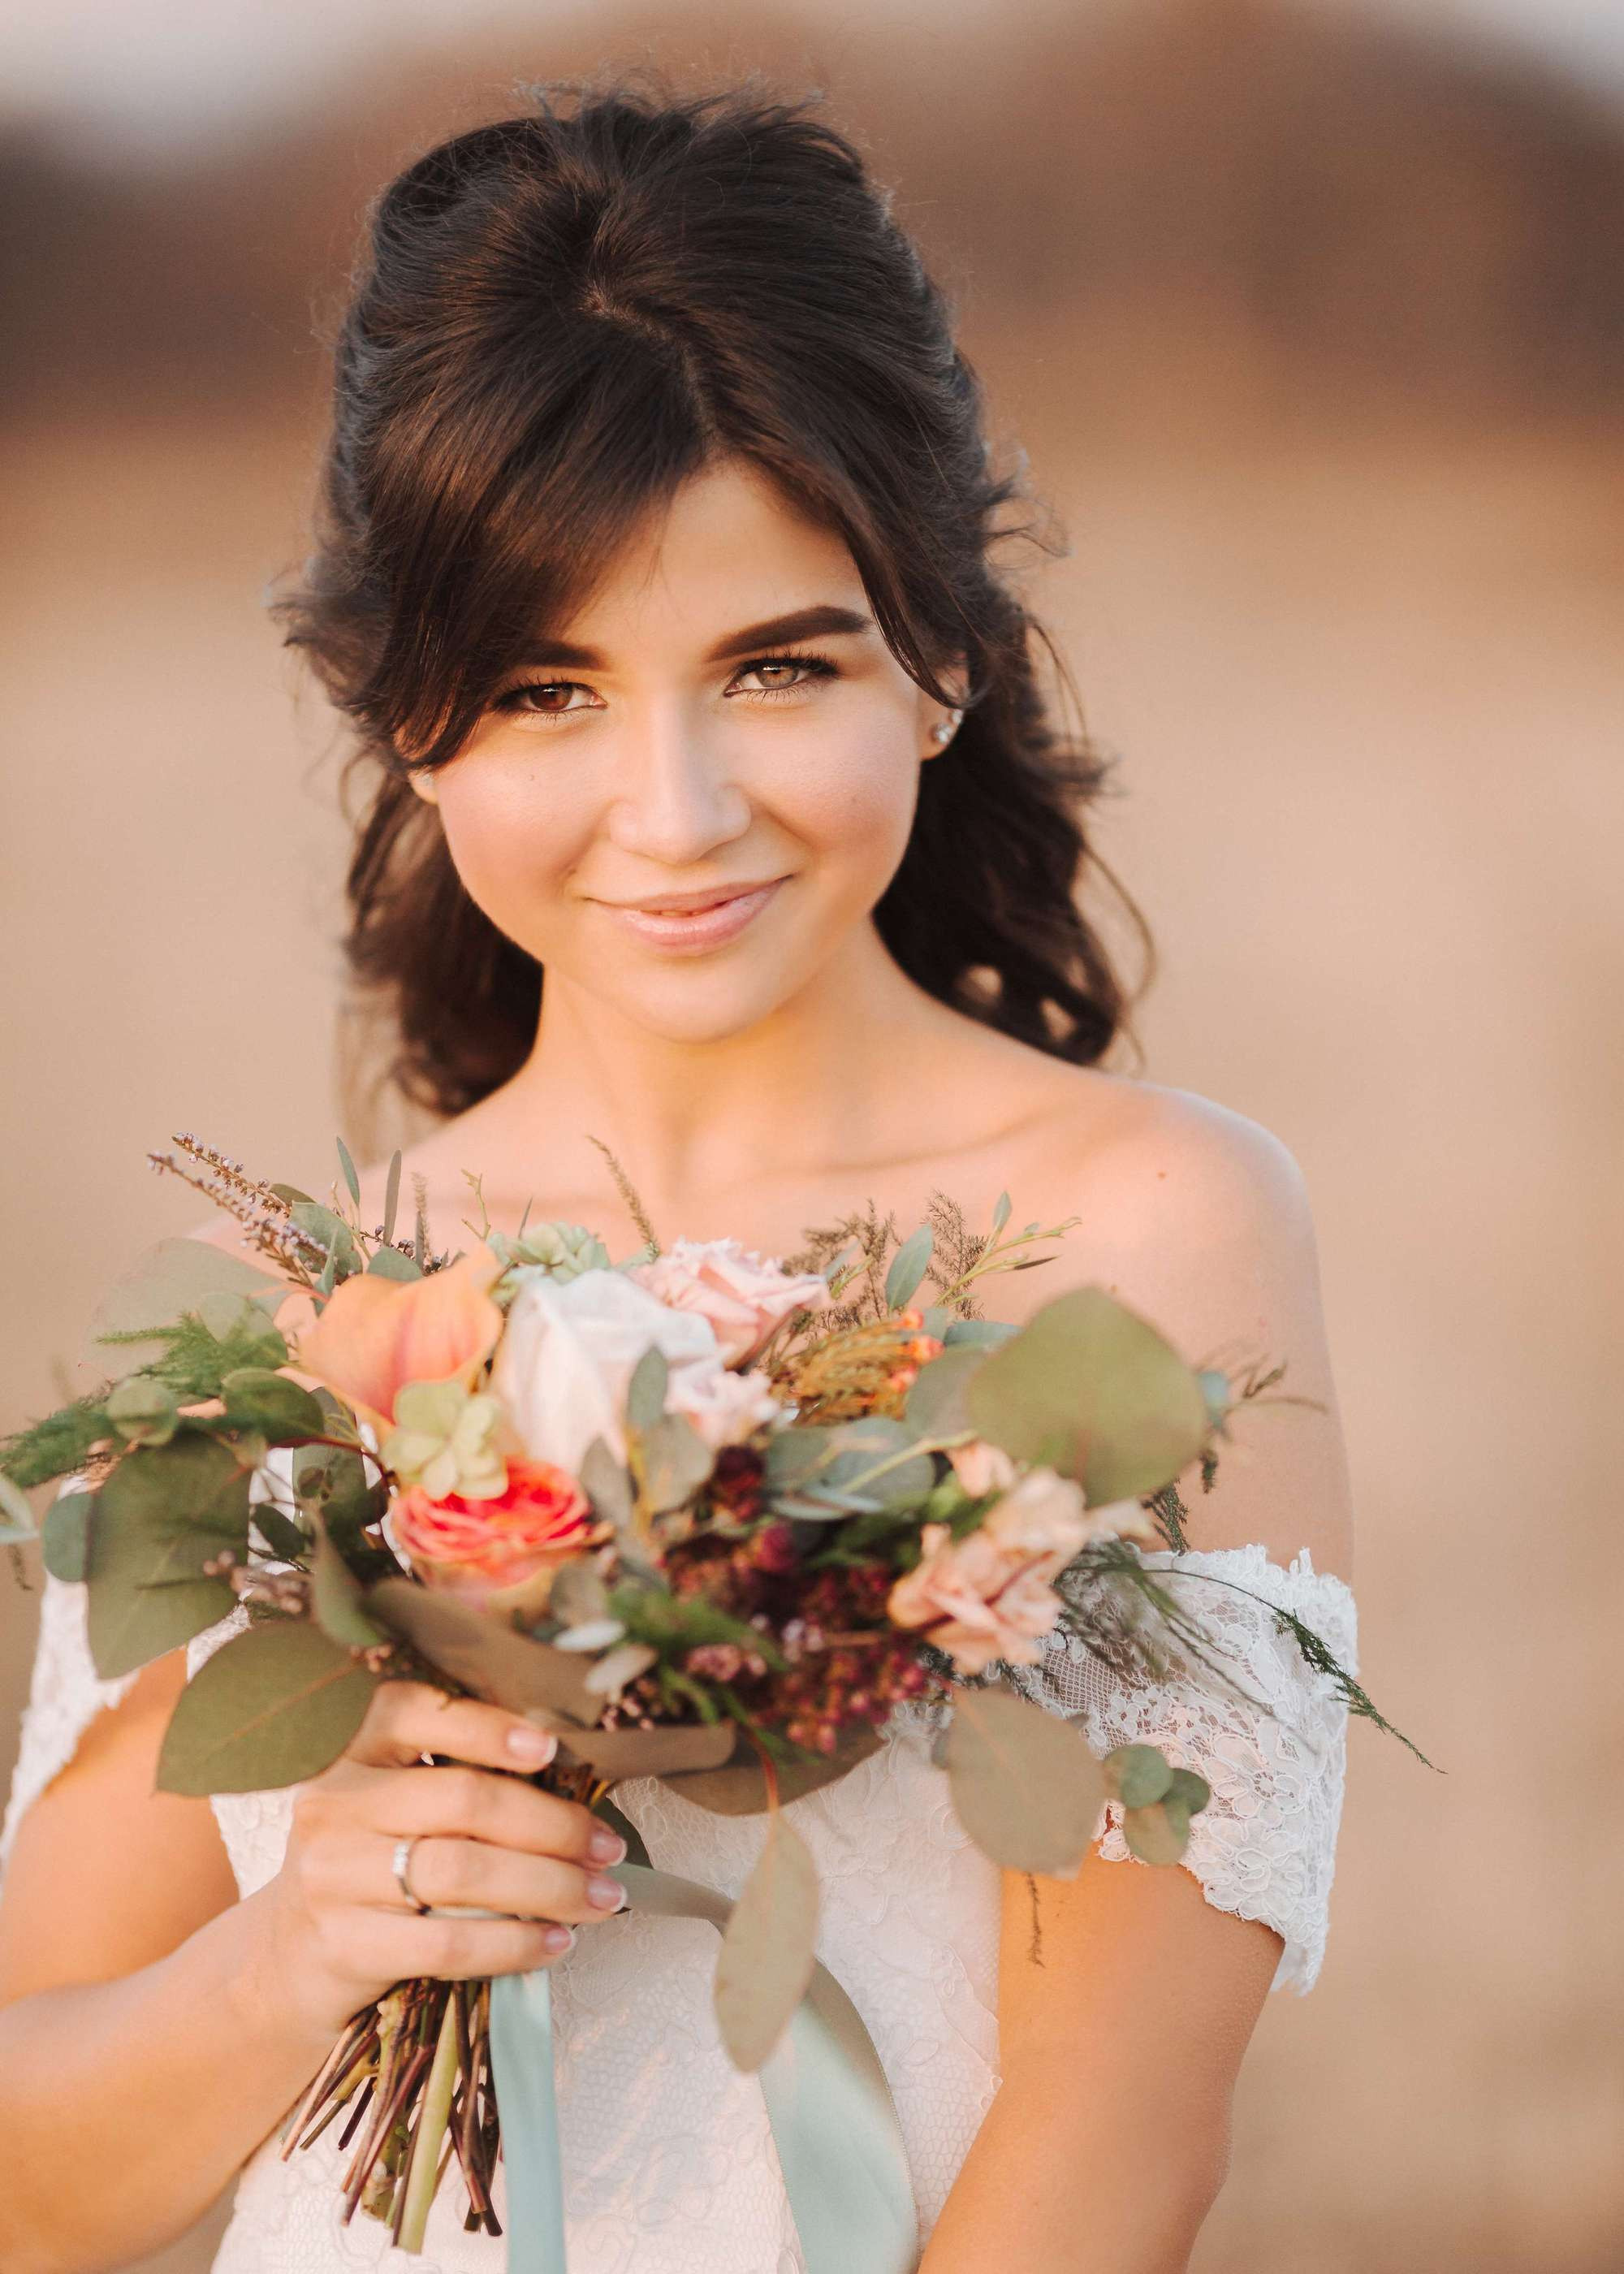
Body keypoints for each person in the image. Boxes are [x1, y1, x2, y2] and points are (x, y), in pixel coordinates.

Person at [0, 72, 1358, 2274]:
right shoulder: (315, 1330)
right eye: (546, 690)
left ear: (937, 660)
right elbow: (30, 2189)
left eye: (774, 664)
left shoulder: (1146, 1247)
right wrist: (292, 1953)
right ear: (409, 727)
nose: (679, 805)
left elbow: (1117, 2139)